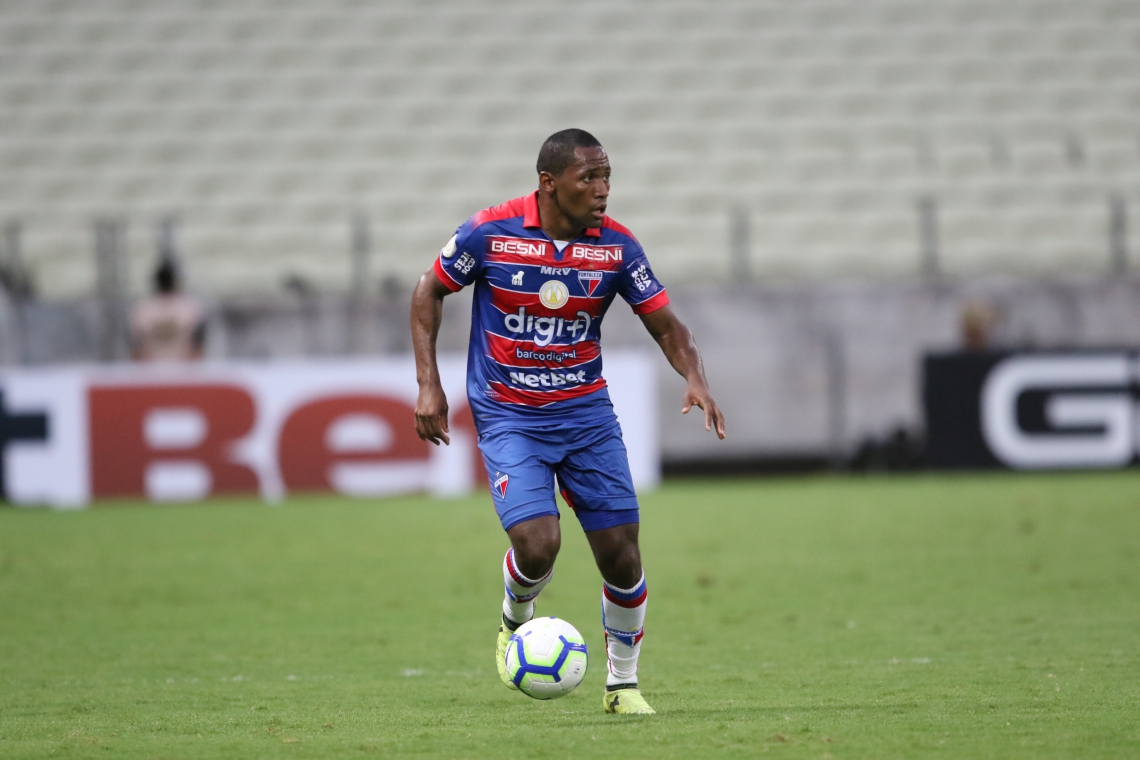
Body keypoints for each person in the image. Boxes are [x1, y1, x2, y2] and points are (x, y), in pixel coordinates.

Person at [410, 129, 726, 715]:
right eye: (590, 178)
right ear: (549, 184)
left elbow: (667, 326)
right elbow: (428, 291)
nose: (603, 190)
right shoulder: (490, 232)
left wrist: (695, 377)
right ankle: (514, 616)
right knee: (538, 545)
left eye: (607, 177)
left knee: (622, 556)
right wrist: (429, 383)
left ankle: (622, 686)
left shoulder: (617, 248)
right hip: (509, 413)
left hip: (586, 416)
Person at [130, 259, 206, 361]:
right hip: (180, 364)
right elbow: (198, 344)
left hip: (154, 365)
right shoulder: (189, 307)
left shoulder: (144, 308)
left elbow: (136, 346)